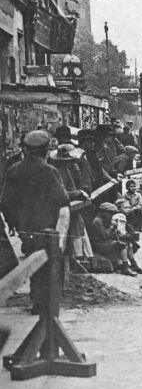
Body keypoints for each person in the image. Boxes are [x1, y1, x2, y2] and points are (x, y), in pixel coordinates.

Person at [0, 130, 71, 311]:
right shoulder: (50, 171)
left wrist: (14, 223)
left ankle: (37, 300)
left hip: (25, 228)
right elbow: (62, 200)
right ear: (45, 151)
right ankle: (43, 305)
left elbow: (5, 203)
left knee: (32, 261)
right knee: (47, 264)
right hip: (48, 227)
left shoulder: (13, 171)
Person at [88, 202, 134, 276]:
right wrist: (112, 227)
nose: (111, 215)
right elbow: (104, 236)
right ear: (103, 212)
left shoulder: (103, 220)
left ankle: (128, 264)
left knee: (126, 243)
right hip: (99, 244)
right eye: (109, 213)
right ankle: (125, 267)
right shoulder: (97, 221)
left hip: (105, 242)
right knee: (122, 245)